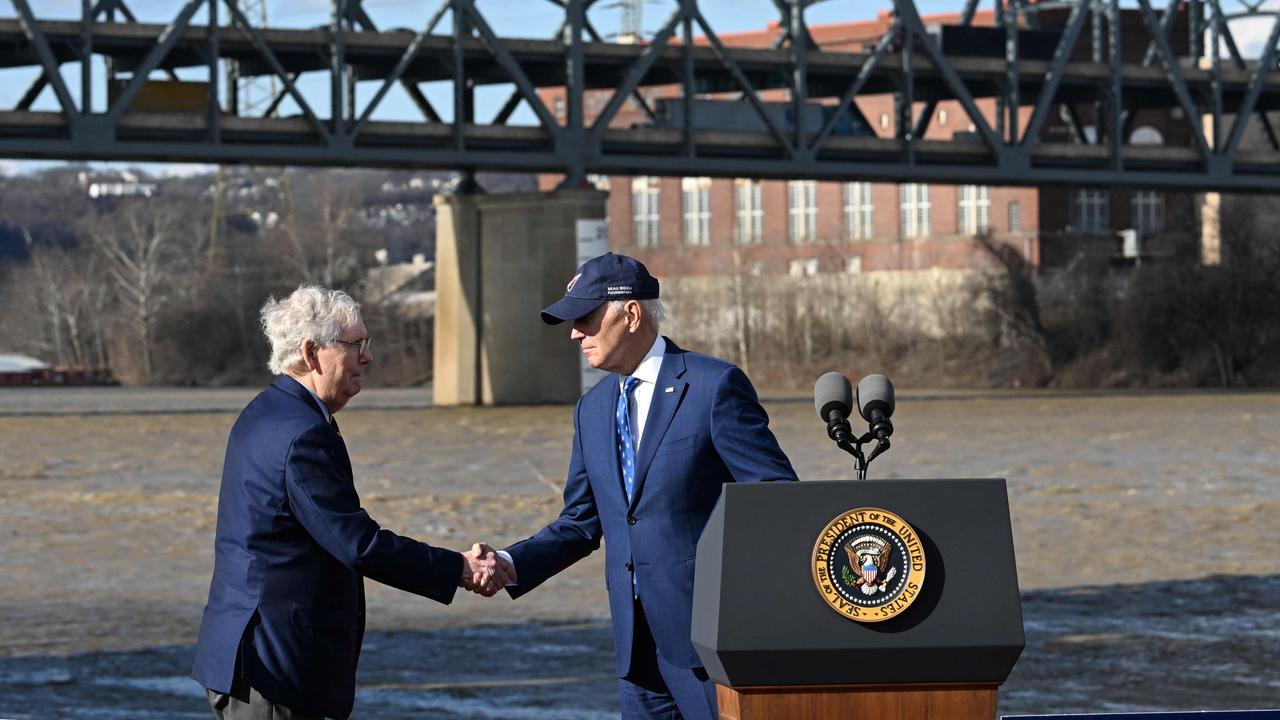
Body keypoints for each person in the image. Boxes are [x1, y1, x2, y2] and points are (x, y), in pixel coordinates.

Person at [497, 253, 798, 720]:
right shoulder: (592, 409)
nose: (575, 333)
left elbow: (777, 500)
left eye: (586, 319)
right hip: (635, 654)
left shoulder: (713, 386)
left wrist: (747, 612)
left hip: (711, 646)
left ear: (631, 314)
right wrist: (507, 563)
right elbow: (580, 524)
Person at [191, 284, 511, 720]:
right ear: (310, 352)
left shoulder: (264, 412)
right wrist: (460, 568)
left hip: (249, 660)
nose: (368, 357)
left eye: (366, 343)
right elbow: (358, 544)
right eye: (355, 345)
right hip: (275, 670)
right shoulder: (304, 434)